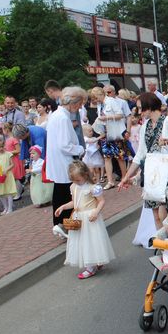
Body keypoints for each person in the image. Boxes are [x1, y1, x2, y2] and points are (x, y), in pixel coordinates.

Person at [118, 93, 168, 230]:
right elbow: (140, 154)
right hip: (151, 173)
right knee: (156, 214)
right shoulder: (145, 126)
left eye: (141, 108)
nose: (139, 112)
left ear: (150, 106)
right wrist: (126, 176)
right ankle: (161, 245)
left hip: (166, 171)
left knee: (165, 212)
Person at [55, 160, 115, 279]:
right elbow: (74, 202)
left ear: (85, 175)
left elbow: (101, 201)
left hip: (90, 217)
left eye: (78, 180)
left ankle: (90, 267)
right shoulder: (73, 187)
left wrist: (96, 212)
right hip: (79, 217)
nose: (76, 182)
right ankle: (95, 262)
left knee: (91, 241)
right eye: (73, 180)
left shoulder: (93, 188)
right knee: (84, 242)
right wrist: (63, 207)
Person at [47, 86, 86, 238]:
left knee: (60, 194)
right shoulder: (63, 118)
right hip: (64, 162)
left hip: (59, 163)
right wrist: (79, 150)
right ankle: (65, 226)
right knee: (68, 197)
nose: (80, 107)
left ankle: (61, 225)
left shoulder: (57, 115)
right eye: (80, 104)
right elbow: (65, 145)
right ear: (74, 103)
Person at [90, 86, 126, 190]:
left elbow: (120, 115)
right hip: (104, 133)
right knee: (107, 157)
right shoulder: (100, 105)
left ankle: (124, 177)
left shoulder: (111, 101)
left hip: (114, 132)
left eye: (96, 98)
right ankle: (110, 181)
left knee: (119, 156)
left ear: (101, 95)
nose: (96, 101)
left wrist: (107, 117)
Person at [0, 134, 16, 215]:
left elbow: (12, 164)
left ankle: (10, 208)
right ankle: (5, 207)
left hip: (8, 175)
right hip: (0, 174)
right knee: (0, 193)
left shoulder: (8, 154)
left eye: (2, 146)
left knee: (9, 191)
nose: (1, 149)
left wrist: (7, 170)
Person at [2, 122, 25, 201]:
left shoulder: (14, 139)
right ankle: (18, 191)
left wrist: (8, 152)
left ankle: (18, 193)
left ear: (7, 130)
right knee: (13, 177)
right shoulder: (8, 139)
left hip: (15, 160)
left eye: (3, 129)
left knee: (16, 177)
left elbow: (18, 150)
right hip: (11, 160)